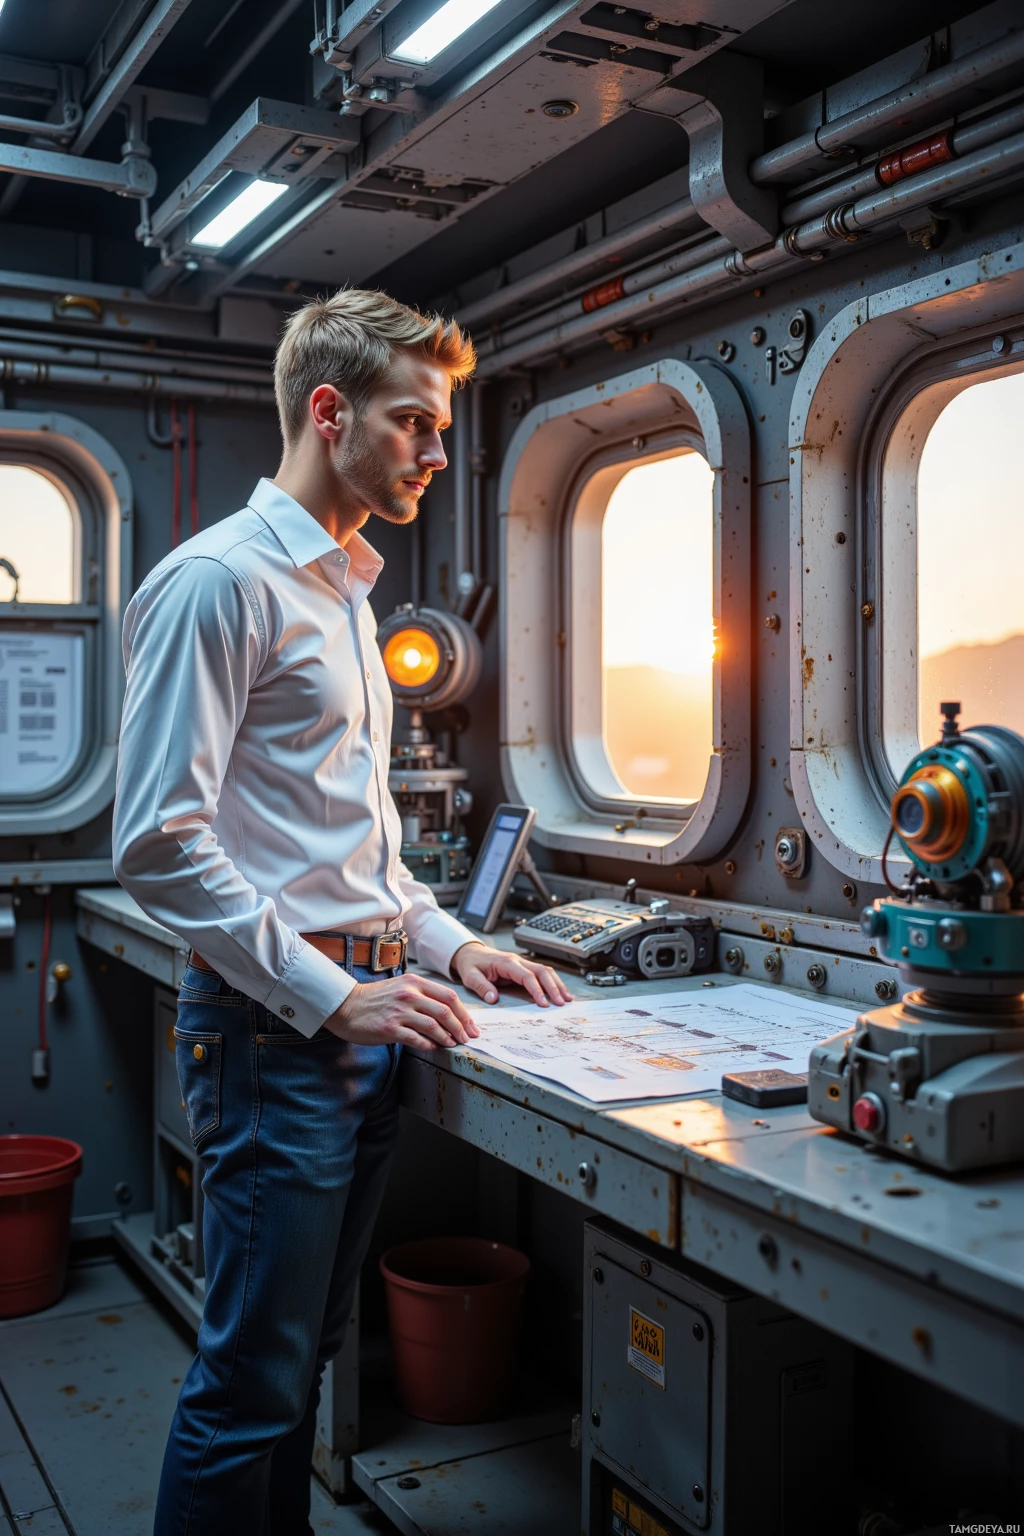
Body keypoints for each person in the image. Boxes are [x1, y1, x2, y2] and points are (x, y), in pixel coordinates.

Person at [112, 288, 572, 1536]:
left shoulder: (347, 593)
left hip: (361, 1016)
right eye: (415, 423)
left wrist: (453, 943)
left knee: (301, 1359)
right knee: (250, 1384)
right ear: (329, 412)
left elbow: (355, 855)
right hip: (279, 1033)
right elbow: (156, 843)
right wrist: (335, 995)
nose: (436, 453)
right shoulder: (221, 584)